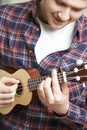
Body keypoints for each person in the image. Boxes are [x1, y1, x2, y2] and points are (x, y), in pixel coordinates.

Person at [0, 0, 87, 129]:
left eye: (76, 9)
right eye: (59, 3)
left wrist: (65, 109)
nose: (63, 15)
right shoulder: (4, 16)